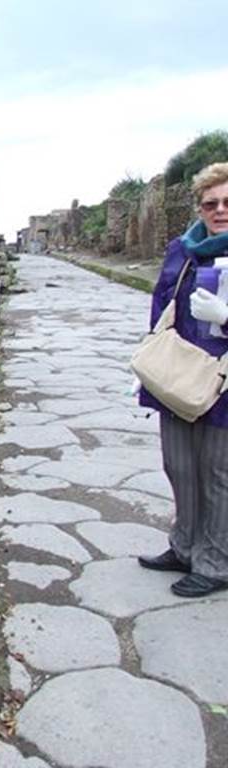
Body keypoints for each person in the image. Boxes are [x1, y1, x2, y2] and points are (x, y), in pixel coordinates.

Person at [138, 161, 228, 597]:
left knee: (217, 472)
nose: (220, 210)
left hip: (223, 380)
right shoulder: (183, 249)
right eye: (211, 203)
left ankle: (215, 562)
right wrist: (152, 355)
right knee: (179, 465)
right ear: (199, 207)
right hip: (178, 370)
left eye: (227, 202)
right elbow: (162, 302)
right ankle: (185, 545)